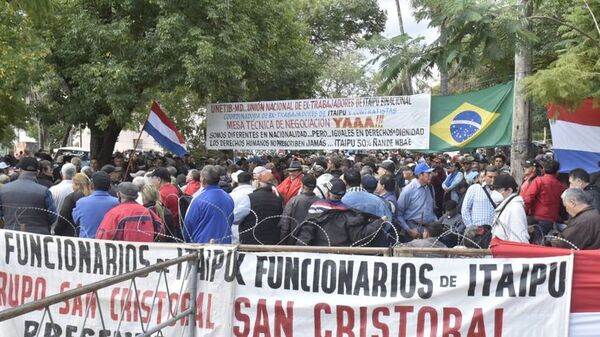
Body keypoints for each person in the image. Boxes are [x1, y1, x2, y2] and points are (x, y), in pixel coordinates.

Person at [0, 157, 57, 234]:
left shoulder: (4, 189)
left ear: (19, 170)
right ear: (37, 172)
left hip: (11, 235)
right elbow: (53, 216)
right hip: (38, 236)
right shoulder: (44, 191)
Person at [96, 182, 164, 242]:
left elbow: (103, 237)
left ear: (119, 195)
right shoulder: (147, 211)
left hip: (123, 254)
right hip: (146, 254)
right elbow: (161, 231)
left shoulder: (114, 213)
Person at [183, 165, 234, 243]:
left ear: (203, 179)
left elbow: (188, 225)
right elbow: (231, 219)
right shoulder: (229, 197)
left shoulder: (198, 199)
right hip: (224, 244)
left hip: (202, 246)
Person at [239, 171, 284, 244]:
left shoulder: (249, 198)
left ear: (259, 183)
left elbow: (236, 218)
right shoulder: (279, 198)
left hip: (250, 240)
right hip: (272, 241)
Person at [522, 160, 566, 235]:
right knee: (540, 240)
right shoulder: (561, 186)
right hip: (550, 218)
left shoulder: (539, 181)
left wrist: (523, 212)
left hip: (535, 215)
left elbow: (528, 198)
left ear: (544, 169)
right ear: (557, 171)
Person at [73, 172, 119, 238]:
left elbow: (76, 221)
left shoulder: (81, 202)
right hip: (109, 243)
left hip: (86, 243)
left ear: (92, 185)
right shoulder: (117, 202)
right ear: (109, 187)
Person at [396, 162, 437, 239]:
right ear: (420, 175)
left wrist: (436, 224)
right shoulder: (408, 190)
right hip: (414, 230)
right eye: (428, 173)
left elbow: (432, 209)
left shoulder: (430, 188)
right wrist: (409, 230)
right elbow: (398, 213)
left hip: (429, 230)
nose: (431, 176)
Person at [279, 174, 320, 245]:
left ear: (302, 185)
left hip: (293, 240)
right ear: (315, 187)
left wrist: (282, 242)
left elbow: (285, 223)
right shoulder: (320, 202)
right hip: (314, 242)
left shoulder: (294, 200)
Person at [491, 174, 529, 243]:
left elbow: (519, 237)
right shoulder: (506, 205)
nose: (494, 192)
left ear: (509, 190)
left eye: (498, 189)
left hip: (508, 251)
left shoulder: (515, 208)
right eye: (493, 189)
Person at [229, 171, 255, 243]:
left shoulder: (231, 195)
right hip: (252, 232)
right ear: (250, 181)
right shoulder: (255, 193)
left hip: (233, 234)